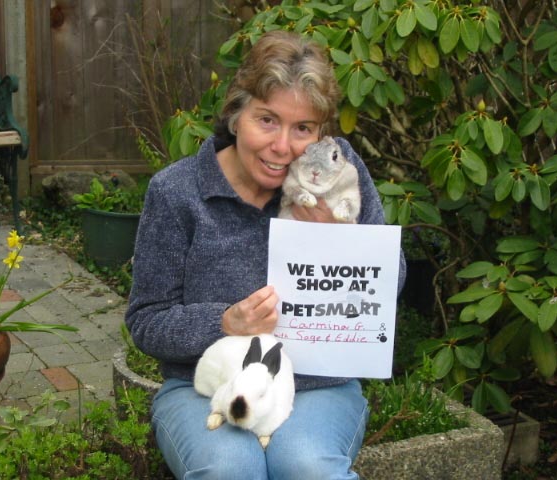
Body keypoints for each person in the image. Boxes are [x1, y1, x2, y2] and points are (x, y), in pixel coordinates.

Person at [125, 30, 406, 480]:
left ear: (321, 133)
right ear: (237, 114)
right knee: (228, 468)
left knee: (308, 465)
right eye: (268, 120)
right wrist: (223, 323)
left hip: (318, 384)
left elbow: (391, 284)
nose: (283, 147)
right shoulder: (178, 192)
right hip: (209, 386)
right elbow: (146, 320)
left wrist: (339, 241)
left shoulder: (339, 170)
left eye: (304, 129)